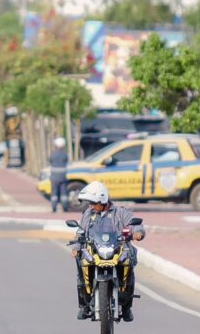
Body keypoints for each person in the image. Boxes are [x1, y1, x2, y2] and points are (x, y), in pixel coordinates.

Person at [71, 181, 145, 322]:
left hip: (117, 250)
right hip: (94, 251)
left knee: (129, 262)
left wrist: (137, 232)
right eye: (90, 203)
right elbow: (80, 232)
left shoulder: (120, 213)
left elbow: (136, 226)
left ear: (103, 200)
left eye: (94, 202)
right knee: (81, 264)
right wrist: (75, 247)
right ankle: (84, 305)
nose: (91, 205)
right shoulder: (88, 214)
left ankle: (127, 306)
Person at [48, 137, 70, 213]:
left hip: (54, 177)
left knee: (54, 193)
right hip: (63, 177)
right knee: (64, 193)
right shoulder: (64, 154)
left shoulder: (53, 154)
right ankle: (65, 207)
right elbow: (67, 161)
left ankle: (54, 207)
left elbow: (50, 161)